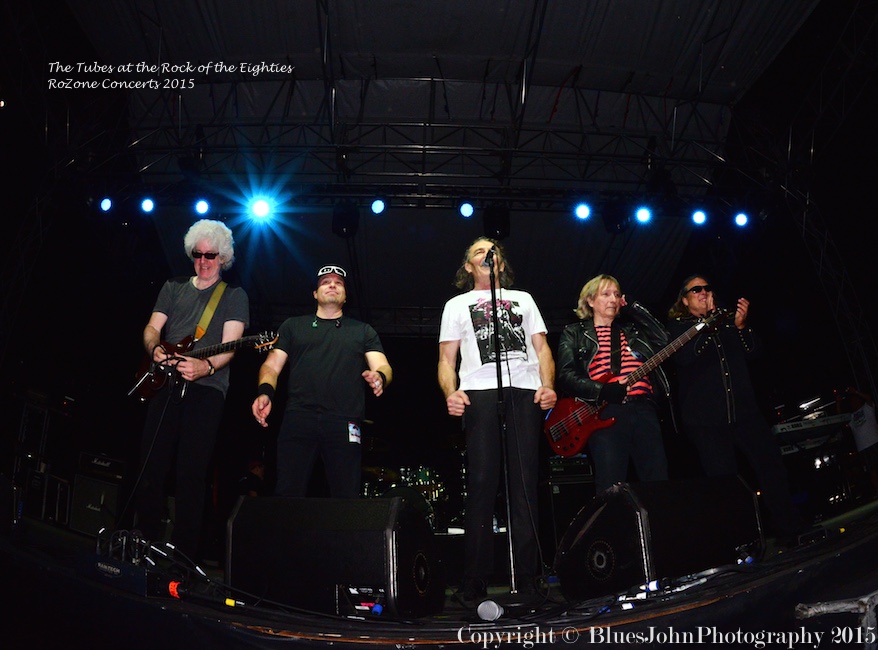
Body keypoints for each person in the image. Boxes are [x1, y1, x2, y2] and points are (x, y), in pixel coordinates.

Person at [437, 237, 557, 604]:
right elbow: (446, 359)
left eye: (493, 251)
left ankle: (528, 576)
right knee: (482, 482)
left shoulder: (524, 299)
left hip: (524, 390)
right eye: (479, 251)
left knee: (524, 484)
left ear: (500, 263)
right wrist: (451, 392)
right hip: (479, 392)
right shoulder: (457, 305)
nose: (488, 255)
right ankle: (474, 578)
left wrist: (548, 385)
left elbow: (542, 348)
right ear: (468, 266)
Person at [135, 219, 249, 561]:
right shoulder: (173, 287)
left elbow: (230, 347)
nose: (203, 261)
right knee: (151, 465)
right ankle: (143, 543)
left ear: (223, 257)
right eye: (197, 254)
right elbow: (152, 328)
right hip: (165, 382)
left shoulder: (234, 296)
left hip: (207, 390)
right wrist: (154, 348)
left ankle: (182, 557)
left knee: (191, 473)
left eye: (210, 255)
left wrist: (206, 367)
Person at [667, 274, 799, 538]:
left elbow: (753, 352)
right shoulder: (678, 328)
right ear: (685, 300)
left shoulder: (727, 321)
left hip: (744, 412)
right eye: (696, 290)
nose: (703, 292)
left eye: (707, 288)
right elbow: (684, 358)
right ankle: (742, 541)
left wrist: (741, 327)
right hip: (707, 421)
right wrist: (707, 324)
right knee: (726, 481)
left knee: (771, 465)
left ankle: (790, 527)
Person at [251, 265, 392, 498]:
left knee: (346, 495)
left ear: (345, 296)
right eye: (325, 282)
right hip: (299, 417)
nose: (332, 285)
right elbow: (271, 365)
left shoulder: (363, 331)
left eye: (338, 283)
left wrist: (380, 377)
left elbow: (383, 365)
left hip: (344, 419)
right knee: (288, 491)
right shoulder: (293, 326)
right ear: (315, 294)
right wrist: (265, 392)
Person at [556, 274, 670, 494]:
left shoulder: (632, 331)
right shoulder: (575, 333)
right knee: (610, 484)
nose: (613, 299)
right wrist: (603, 390)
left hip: (644, 409)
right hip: (605, 411)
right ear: (590, 300)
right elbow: (565, 375)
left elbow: (663, 340)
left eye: (617, 295)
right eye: (606, 294)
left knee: (657, 480)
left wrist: (635, 308)